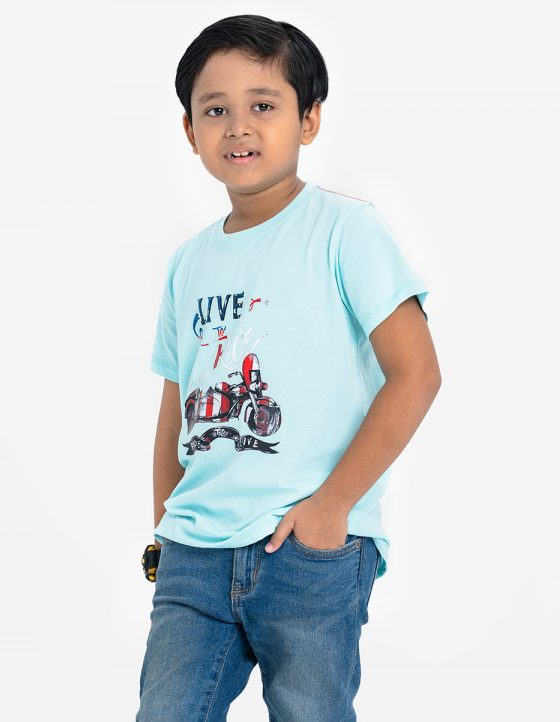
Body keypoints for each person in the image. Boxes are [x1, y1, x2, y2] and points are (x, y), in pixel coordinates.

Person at [136, 13, 441, 722]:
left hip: (306, 551)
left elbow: (417, 374)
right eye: (216, 110)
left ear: (309, 120)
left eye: (263, 105)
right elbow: (175, 413)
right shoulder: (188, 263)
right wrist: (163, 535)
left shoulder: (345, 230)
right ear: (190, 131)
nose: (238, 126)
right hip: (193, 554)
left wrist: (332, 508)